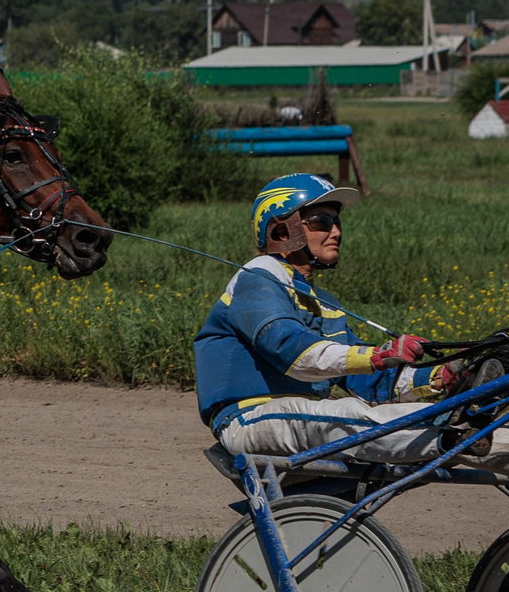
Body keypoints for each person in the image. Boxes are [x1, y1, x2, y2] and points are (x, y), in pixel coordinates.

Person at [196, 173, 467, 462]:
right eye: (322, 222)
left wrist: (439, 376)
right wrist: (376, 355)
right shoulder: (258, 275)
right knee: (351, 413)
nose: (336, 232)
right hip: (249, 417)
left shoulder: (325, 304)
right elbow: (290, 350)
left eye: (337, 222)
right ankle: (456, 435)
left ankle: (464, 431)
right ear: (282, 231)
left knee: (402, 414)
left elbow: (366, 382)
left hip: (302, 418)